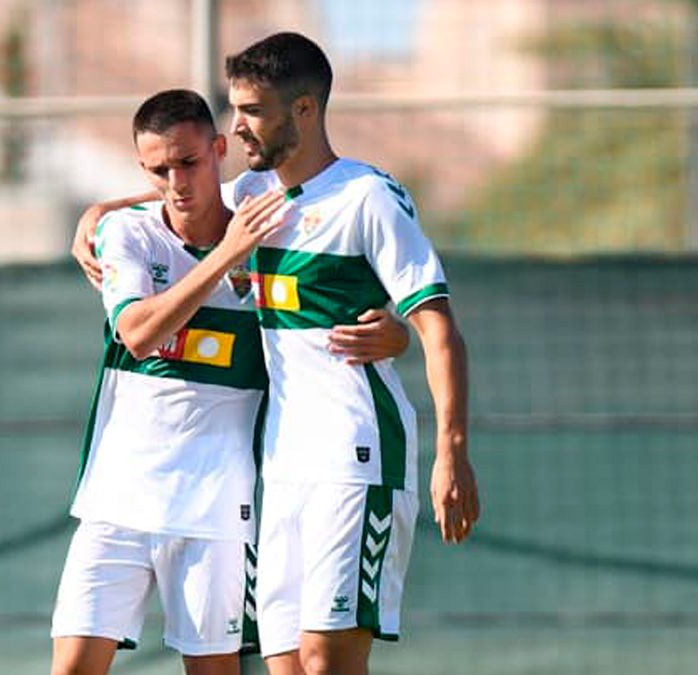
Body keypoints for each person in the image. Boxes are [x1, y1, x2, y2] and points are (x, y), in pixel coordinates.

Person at [71, 33, 480, 675]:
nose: (238, 126)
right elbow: (182, 194)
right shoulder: (253, 195)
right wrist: (99, 210)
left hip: (356, 452)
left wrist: (452, 452)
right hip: (282, 464)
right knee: (285, 662)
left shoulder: (366, 197)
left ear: (305, 111)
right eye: (235, 109)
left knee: (326, 659)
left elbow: (438, 327)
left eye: (253, 110)